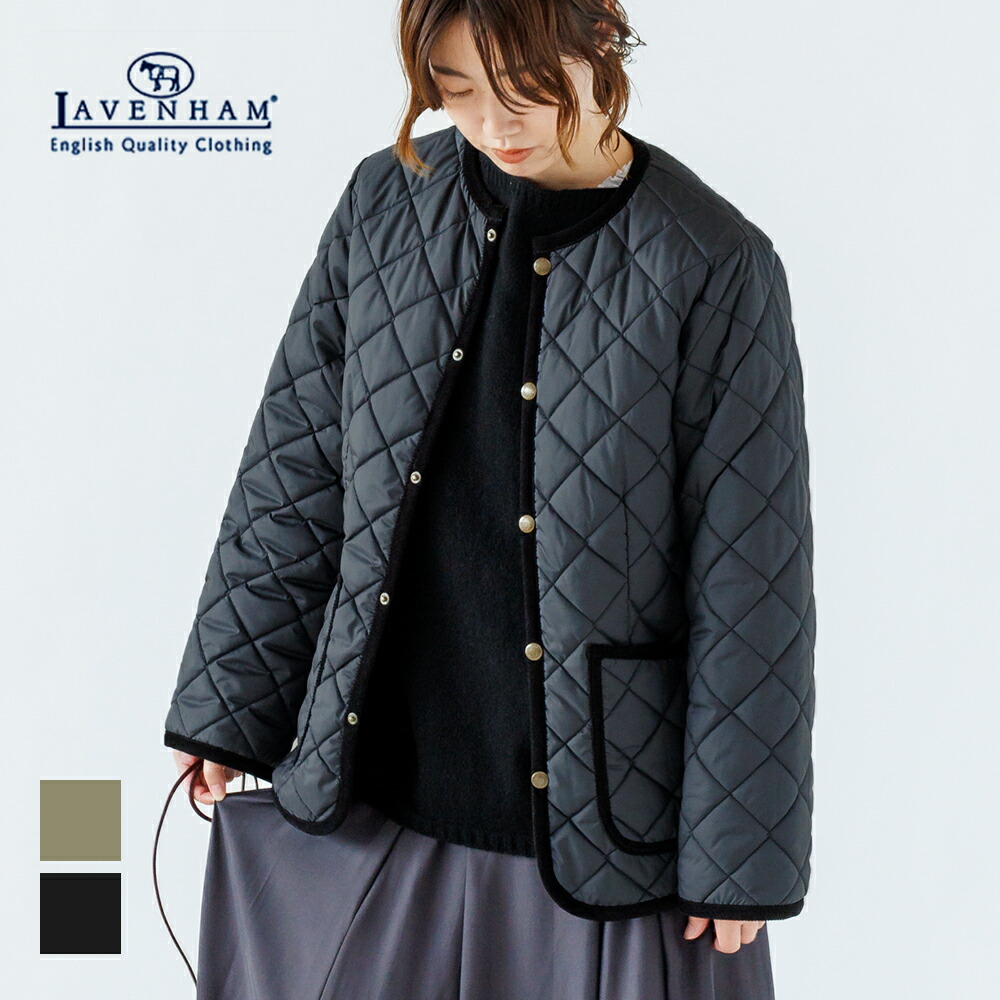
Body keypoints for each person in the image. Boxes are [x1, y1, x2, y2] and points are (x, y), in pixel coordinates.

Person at [166, 2, 814, 997]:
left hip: (599, 827)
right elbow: (293, 468)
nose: (493, 123)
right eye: (456, 89)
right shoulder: (384, 201)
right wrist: (227, 708)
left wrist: (740, 856)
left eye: (523, 88)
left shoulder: (712, 261)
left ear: (600, 36)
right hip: (375, 787)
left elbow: (751, 581)